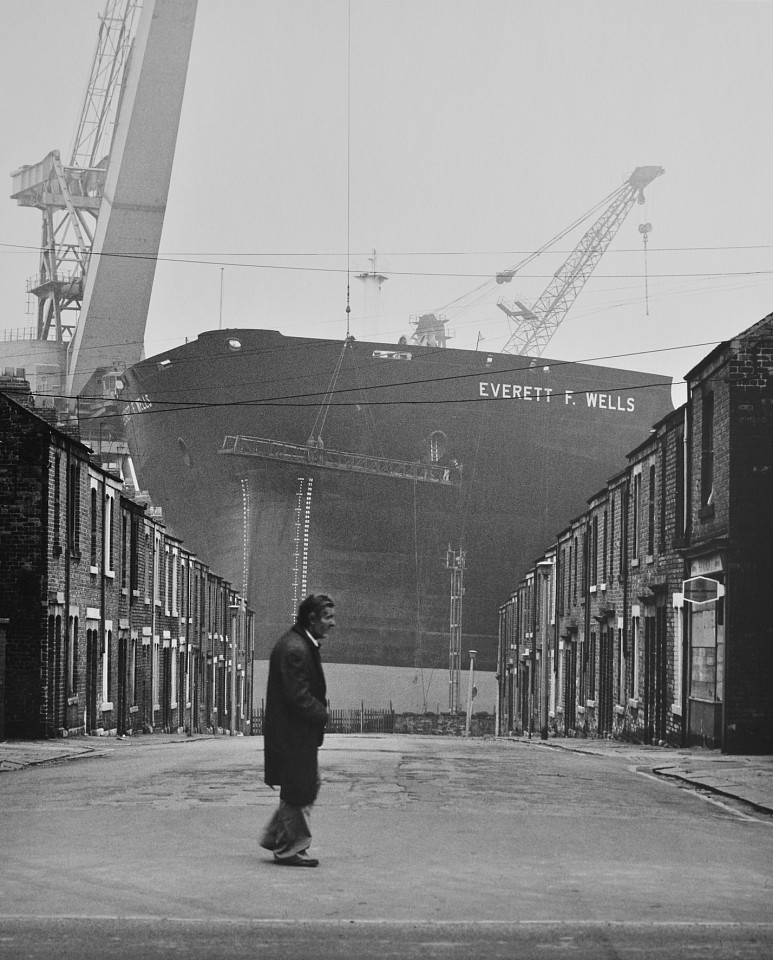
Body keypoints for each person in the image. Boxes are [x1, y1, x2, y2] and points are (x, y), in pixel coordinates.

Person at [260, 594, 334, 867]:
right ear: (312, 619)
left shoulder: (300, 643)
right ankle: (290, 848)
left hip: (294, 735)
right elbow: (297, 696)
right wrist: (322, 714)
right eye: (328, 617)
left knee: (304, 785)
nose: (332, 624)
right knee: (299, 790)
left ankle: (277, 837)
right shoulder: (295, 649)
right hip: (294, 736)